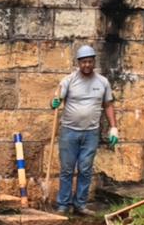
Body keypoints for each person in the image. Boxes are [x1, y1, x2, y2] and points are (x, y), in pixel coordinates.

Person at [50, 45, 119, 216]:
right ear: (78, 63)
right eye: (84, 62)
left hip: (91, 133)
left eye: (90, 61)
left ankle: (80, 204)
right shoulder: (68, 80)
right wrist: (55, 102)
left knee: (85, 169)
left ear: (94, 61)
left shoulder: (102, 82)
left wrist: (113, 128)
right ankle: (63, 205)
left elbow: (108, 105)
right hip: (69, 131)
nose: (87, 65)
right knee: (67, 169)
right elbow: (58, 97)